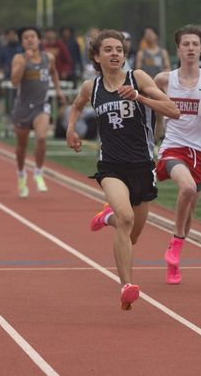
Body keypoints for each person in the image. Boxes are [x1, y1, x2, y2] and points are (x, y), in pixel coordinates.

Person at [66, 29, 179, 309]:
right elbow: (77, 106)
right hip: (111, 166)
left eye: (119, 49)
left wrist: (139, 97)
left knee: (133, 234)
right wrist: (71, 128)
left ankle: (107, 219)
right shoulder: (90, 87)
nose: (115, 54)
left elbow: (172, 110)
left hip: (142, 166)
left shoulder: (138, 78)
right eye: (108, 50)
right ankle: (126, 285)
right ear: (97, 56)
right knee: (126, 218)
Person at [153, 25, 201, 284]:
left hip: (200, 152)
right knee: (187, 188)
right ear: (178, 49)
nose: (191, 48)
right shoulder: (164, 79)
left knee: (191, 209)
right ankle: (174, 243)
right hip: (173, 147)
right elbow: (148, 101)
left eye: (195, 44)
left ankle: (175, 259)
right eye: (186, 44)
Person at [11, 27, 66, 197]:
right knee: (22, 146)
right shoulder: (19, 58)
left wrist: (58, 90)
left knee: (42, 137)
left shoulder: (48, 57)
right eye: (26, 37)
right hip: (22, 107)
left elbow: (54, 72)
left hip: (41, 105)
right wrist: (24, 62)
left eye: (32, 37)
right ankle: (21, 174)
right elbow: (14, 82)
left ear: (39, 40)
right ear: (22, 42)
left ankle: (38, 171)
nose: (29, 40)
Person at [135, 26, 171, 142]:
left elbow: (167, 68)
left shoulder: (163, 52)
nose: (149, 36)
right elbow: (138, 70)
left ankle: (155, 140)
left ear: (156, 35)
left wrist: (160, 79)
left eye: (151, 33)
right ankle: (144, 138)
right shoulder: (141, 53)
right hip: (145, 88)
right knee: (145, 114)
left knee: (159, 114)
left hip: (159, 87)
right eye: (146, 33)